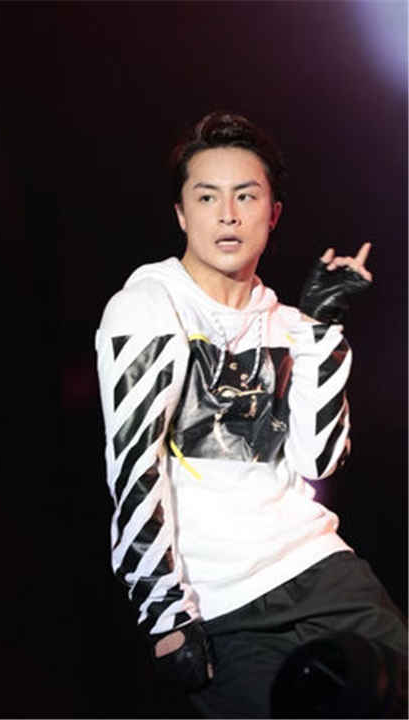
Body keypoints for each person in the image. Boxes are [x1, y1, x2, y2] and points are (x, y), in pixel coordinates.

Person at [95, 112, 406, 718]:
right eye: (207, 197)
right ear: (181, 214)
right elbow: (134, 467)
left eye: (246, 196)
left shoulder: (288, 322)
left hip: (316, 564)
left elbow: (318, 460)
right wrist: (164, 613)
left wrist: (322, 330)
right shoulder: (147, 306)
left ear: (274, 212)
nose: (228, 215)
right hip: (218, 596)